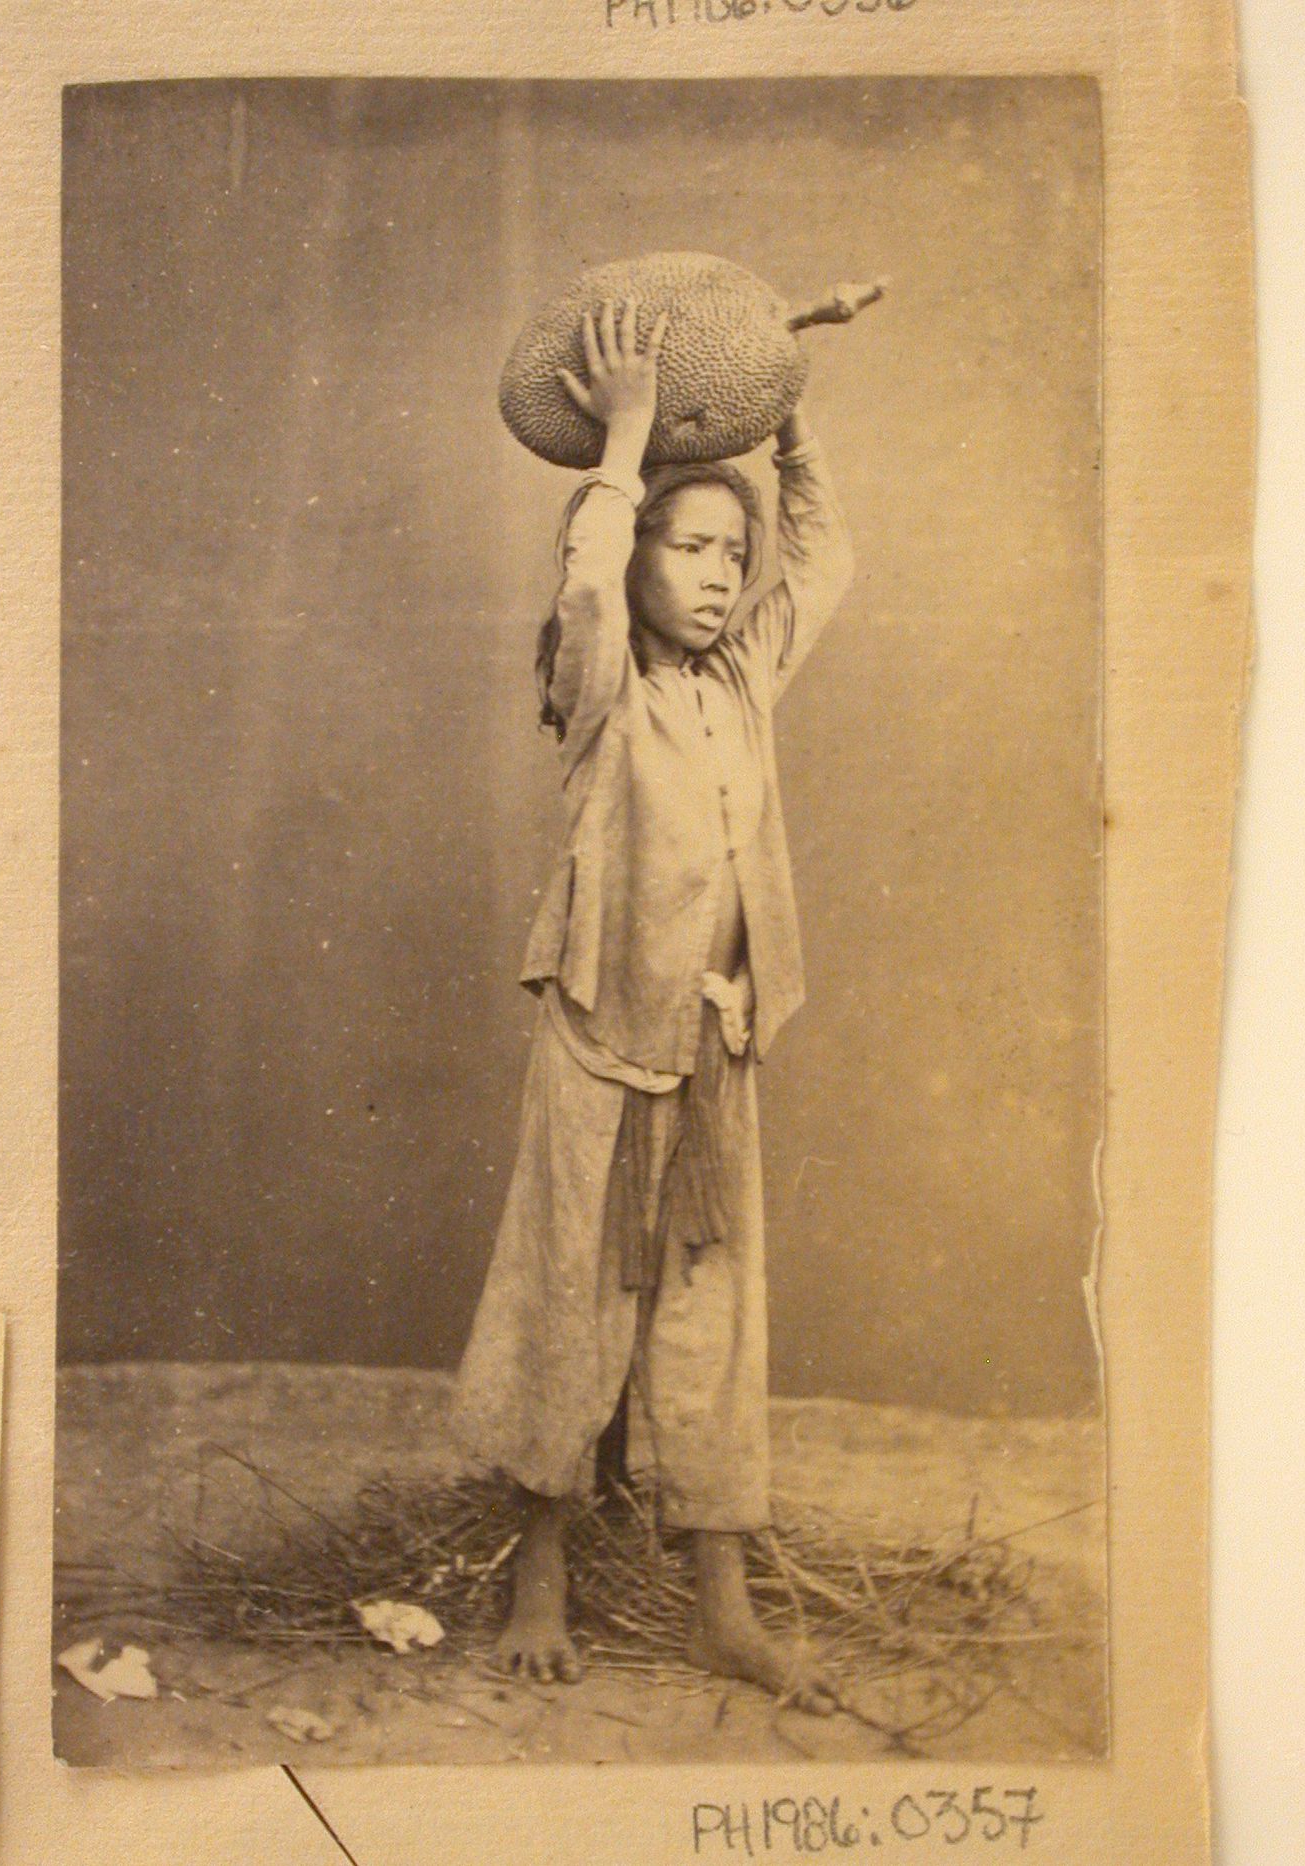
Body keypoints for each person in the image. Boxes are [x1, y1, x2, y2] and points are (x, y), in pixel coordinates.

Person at [451, 296, 855, 1712]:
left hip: (714, 1047)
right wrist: (628, 433)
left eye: (726, 553)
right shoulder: (603, 683)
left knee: (714, 1312)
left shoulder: (741, 682)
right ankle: (542, 1567)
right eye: (687, 546)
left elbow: (822, 556)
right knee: (577, 1297)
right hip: (602, 1050)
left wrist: (776, 398)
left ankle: (722, 1601)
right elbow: (581, 585)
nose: (715, 574)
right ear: (634, 561)